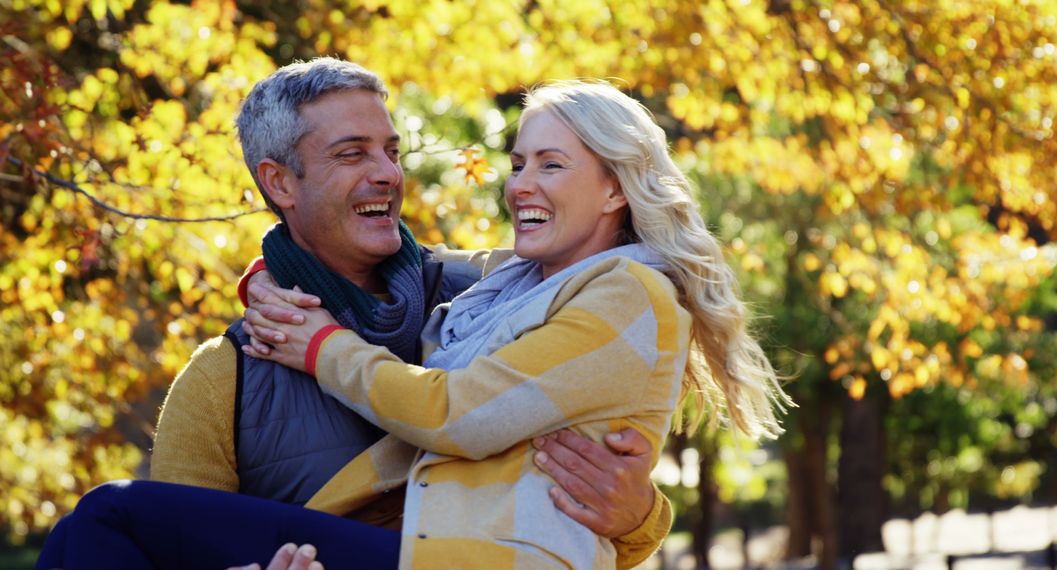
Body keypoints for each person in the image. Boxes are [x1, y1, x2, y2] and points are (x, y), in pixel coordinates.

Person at [36, 61, 669, 570]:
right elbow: (182, 547)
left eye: (391, 151)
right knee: (90, 530)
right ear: (280, 183)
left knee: (102, 516)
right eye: (352, 154)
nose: (387, 175)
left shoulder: (487, 297)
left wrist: (639, 513)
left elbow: (574, 475)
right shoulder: (225, 375)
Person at [238, 80, 791, 567]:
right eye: (518, 163)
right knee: (156, 516)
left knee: (151, 515)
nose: (520, 185)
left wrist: (319, 347)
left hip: (485, 557)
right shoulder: (514, 284)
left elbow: (456, 412)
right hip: (427, 547)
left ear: (616, 189)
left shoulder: (629, 293)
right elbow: (403, 259)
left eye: (551, 164)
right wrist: (271, 273)